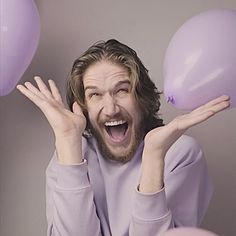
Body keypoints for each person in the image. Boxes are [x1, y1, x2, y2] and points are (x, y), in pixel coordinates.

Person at [17, 39, 230, 236]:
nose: (110, 109)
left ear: (141, 98)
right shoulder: (68, 155)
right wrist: (67, 140)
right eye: (95, 94)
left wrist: (154, 156)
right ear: (83, 107)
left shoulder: (180, 153)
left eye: (122, 90)